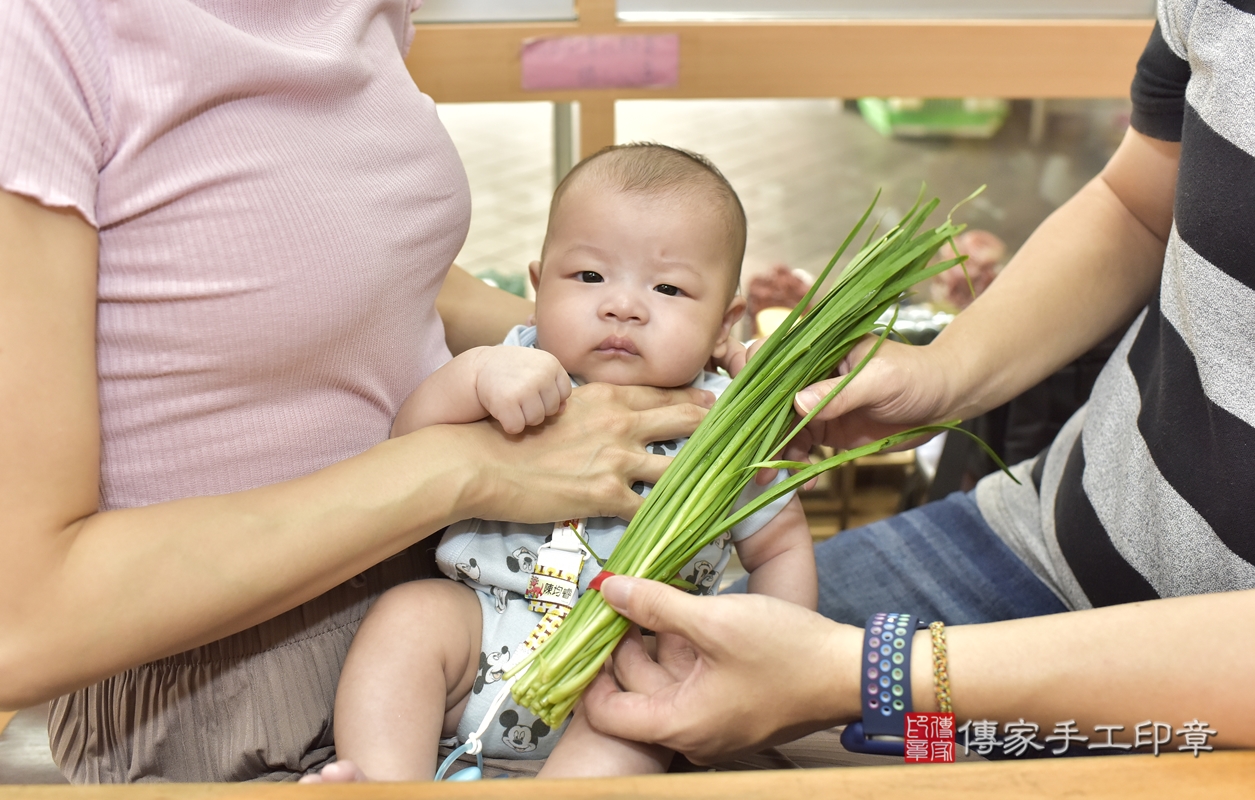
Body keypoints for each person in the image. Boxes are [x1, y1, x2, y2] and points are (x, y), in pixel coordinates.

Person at [0, 0, 717, 782]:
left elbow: (374, 276)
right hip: (231, 690)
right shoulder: (41, 32)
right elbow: (19, 624)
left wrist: (644, 368)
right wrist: (468, 468)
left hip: (456, 590)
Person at [582, 2, 1255, 759]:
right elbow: (1137, 203)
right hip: (1041, 540)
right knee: (608, 711)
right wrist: (944, 376)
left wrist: (857, 673)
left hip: (1207, 703)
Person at [305, 144, 816, 782]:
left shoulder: (722, 424)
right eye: (589, 277)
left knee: (638, 723)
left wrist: (771, 661)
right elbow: (410, 440)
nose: (623, 306)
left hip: (626, 661)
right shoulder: (517, 366)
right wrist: (473, 378)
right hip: (483, 624)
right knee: (409, 618)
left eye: (668, 288)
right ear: (538, 285)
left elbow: (782, 543)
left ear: (724, 324)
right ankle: (384, 782)